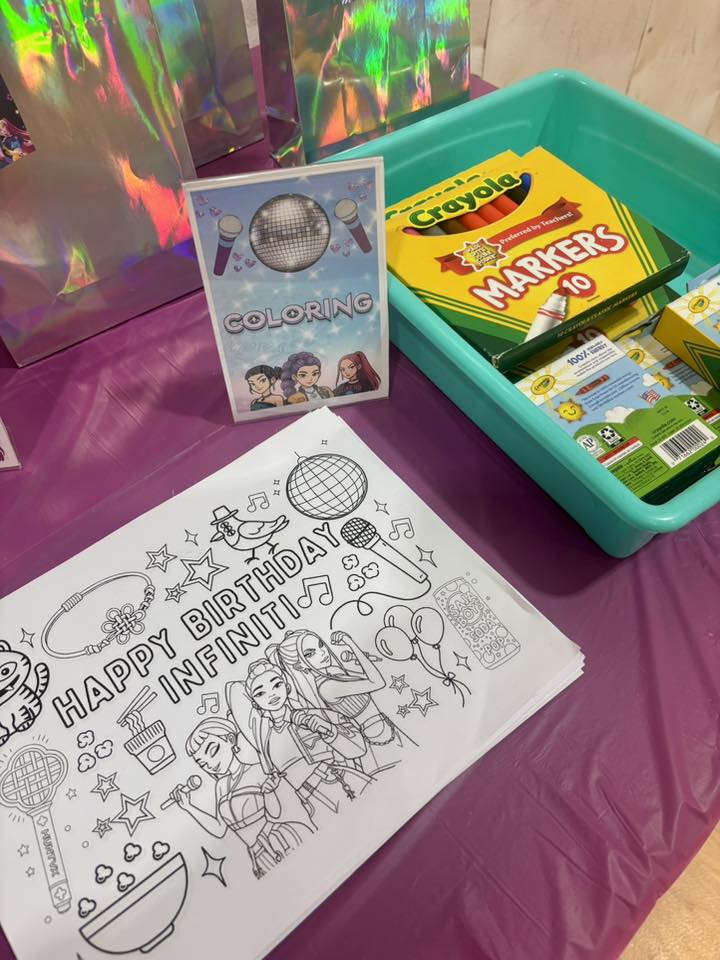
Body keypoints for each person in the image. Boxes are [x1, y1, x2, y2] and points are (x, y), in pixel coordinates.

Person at [232, 658, 372, 821]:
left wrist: (328, 729)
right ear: (255, 704)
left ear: (287, 686)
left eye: (277, 685)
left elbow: (359, 749)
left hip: (342, 784)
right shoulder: (267, 744)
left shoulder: (314, 715)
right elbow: (276, 813)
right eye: (260, 693)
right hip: (314, 806)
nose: (271, 694)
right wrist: (269, 792)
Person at [170, 717, 311, 878]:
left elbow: (278, 814)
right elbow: (220, 829)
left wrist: (270, 793)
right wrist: (188, 806)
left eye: (213, 751)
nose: (210, 764)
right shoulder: (221, 786)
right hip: (258, 856)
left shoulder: (258, 769)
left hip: (280, 840)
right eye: (202, 764)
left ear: (230, 740)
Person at [272, 629, 414, 775]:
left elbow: (368, 680)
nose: (323, 652)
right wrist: (350, 643)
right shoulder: (327, 687)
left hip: (385, 729)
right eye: (310, 653)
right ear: (299, 666)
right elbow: (376, 682)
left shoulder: (333, 672)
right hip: (376, 739)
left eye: (321, 645)